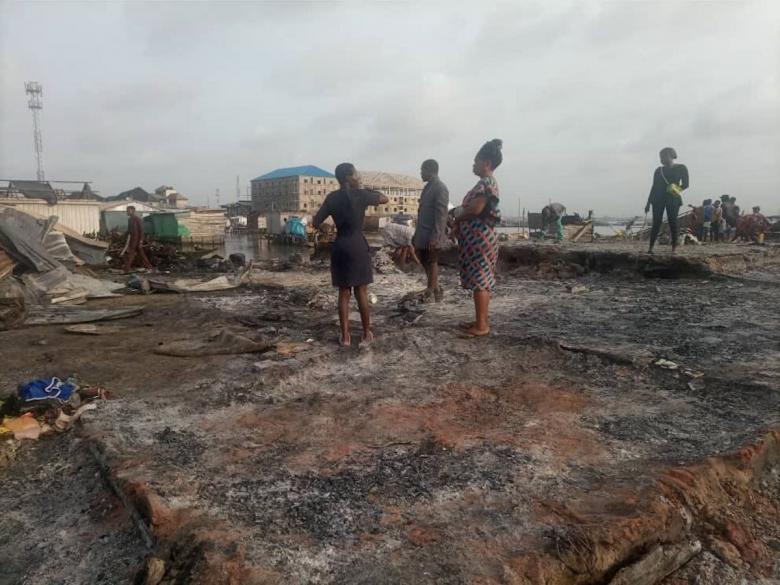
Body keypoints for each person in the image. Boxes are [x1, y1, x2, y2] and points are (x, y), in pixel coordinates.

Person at [313, 163, 389, 347]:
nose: (357, 176)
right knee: (361, 291)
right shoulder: (361, 194)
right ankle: (366, 333)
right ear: (348, 176)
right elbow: (384, 198)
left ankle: (345, 336)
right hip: (357, 246)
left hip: (341, 246)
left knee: (344, 292)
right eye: (355, 174)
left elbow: (316, 221)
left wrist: (325, 228)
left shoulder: (332, 197)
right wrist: (364, 187)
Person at [451, 139, 503, 338]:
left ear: (486, 163)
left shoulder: (486, 183)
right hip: (478, 239)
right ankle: (481, 321)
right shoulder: (485, 183)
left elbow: (475, 209)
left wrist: (458, 217)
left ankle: (481, 326)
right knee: (481, 280)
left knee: (480, 280)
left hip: (480, 239)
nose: (473, 165)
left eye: (476, 162)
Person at [412, 159, 449, 302]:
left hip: (432, 234)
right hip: (422, 234)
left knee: (432, 261)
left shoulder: (440, 188)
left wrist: (436, 235)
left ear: (429, 170)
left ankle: (431, 291)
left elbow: (441, 215)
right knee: (424, 260)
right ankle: (436, 288)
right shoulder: (427, 188)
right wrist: (416, 235)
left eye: (422, 170)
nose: (421, 173)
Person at [645, 147, 689, 254]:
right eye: (660, 157)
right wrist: (648, 203)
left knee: (673, 222)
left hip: (673, 198)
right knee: (656, 223)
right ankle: (650, 248)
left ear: (671, 155)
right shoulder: (658, 170)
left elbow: (686, 184)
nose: (661, 159)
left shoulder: (681, 168)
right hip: (658, 199)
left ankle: (674, 248)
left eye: (663, 156)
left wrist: (675, 189)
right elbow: (654, 187)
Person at [122, 206, 153, 273]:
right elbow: (129, 230)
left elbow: (142, 231)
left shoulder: (137, 219)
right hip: (132, 240)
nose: (127, 212)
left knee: (132, 254)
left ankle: (127, 268)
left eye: (128, 210)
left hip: (137, 240)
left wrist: (141, 241)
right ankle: (149, 267)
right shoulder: (130, 220)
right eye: (127, 210)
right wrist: (123, 235)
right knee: (140, 254)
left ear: (133, 211)